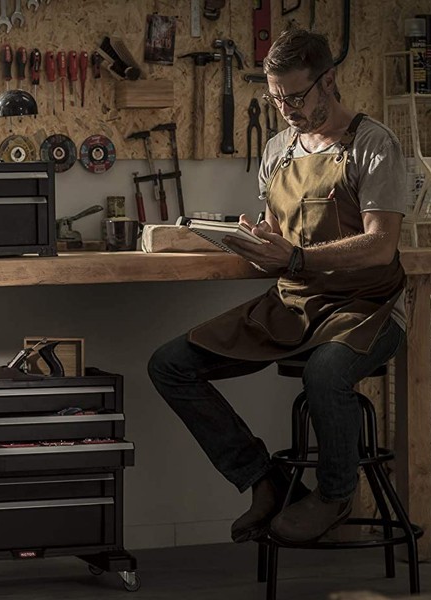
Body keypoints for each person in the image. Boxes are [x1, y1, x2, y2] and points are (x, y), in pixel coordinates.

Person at [147, 28, 408, 545]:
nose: (284, 107)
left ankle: (335, 495)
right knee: (170, 365)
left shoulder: (373, 144)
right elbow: (281, 232)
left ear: (328, 80)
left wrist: (295, 255)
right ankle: (265, 480)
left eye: (294, 96)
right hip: (292, 303)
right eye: (275, 97)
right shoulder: (277, 150)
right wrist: (258, 239)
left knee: (326, 371)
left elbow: (380, 245)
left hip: (367, 307)